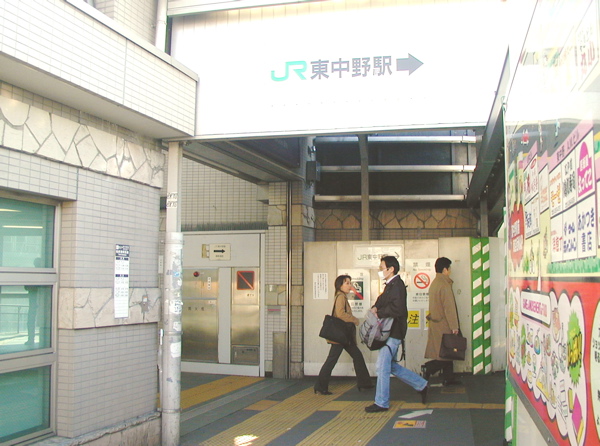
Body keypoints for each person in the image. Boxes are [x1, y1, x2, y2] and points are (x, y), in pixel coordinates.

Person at [365, 256, 428, 413]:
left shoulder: (397, 285)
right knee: (390, 365)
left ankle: (382, 402)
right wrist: (375, 307)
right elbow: (382, 301)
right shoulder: (391, 285)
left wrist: (379, 312)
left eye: (382, 268)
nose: (380, 271)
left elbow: (398, 309)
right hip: (390, 332)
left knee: (382, 367)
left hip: (392, 332)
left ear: (391, 269)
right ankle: (421, 384)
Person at [314, 274, 373, 395]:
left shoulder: (341, 296)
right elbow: (340, 314)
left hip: (343, 336)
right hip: (341, 336)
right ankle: (320, 386)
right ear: (340, 285)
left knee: (355, 356)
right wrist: (354, 319)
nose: (350, 286)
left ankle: (365, 383)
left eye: (350, 283)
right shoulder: (341, 297)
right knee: (333, 359)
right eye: (347, 283)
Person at [422, 256, 461, 386]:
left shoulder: (435, 283)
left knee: (447, 352)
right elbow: (449, 308)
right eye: (449, 268)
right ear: (445, 269)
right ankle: (428, 368)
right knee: (446, 353)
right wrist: (454, 326)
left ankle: (449, 378)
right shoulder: (444, 285)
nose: (450, 271)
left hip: (436, 323)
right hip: (444, 324)